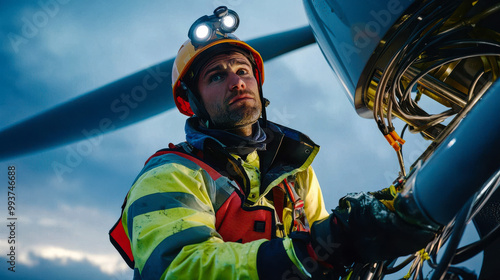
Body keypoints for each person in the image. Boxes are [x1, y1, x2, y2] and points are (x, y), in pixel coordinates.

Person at [109, 7, 435, 279]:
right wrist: (315, 247)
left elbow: (326, 252)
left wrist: (365, 236)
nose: (237, 82)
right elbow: (177, 268)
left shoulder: (294, 173)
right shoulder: (170, 175)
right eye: (217, 76)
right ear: (191, 102)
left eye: (243, 70)